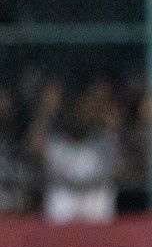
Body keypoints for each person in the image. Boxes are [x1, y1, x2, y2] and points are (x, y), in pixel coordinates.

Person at [28, 76, 121, 224]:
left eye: (94, 106)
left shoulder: (106, 141)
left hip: (97, 220)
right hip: (61, 223)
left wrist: (114, 127)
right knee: (59, 194)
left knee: (102, 193)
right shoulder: (57, 142)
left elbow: (122, 169)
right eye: (84, 106)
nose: (88, 112)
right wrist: (46, 110)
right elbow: (34, 148)